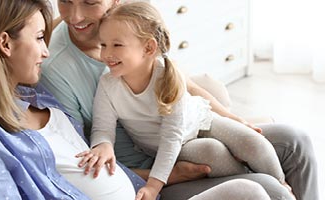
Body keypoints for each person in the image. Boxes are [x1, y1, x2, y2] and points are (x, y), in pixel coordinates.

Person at [0, 0, 274, 199]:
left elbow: (92, 167)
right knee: (255, 191)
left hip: (144, 188)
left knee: (264, 182)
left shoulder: (36, 95)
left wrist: (165, 177)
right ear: (5, 43)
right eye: (37, 38)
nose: (46, 51)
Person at [40, 0, 318, 200]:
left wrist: (232, 119)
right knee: (268, 188)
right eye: (64, 1)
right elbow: (80, 150)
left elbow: (177, 81)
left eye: (90, 2)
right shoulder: (59, 68)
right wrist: (165, 177)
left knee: (294, 140)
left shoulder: (131, 24)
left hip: (186, 136)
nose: (75, 15)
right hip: (149, 172)